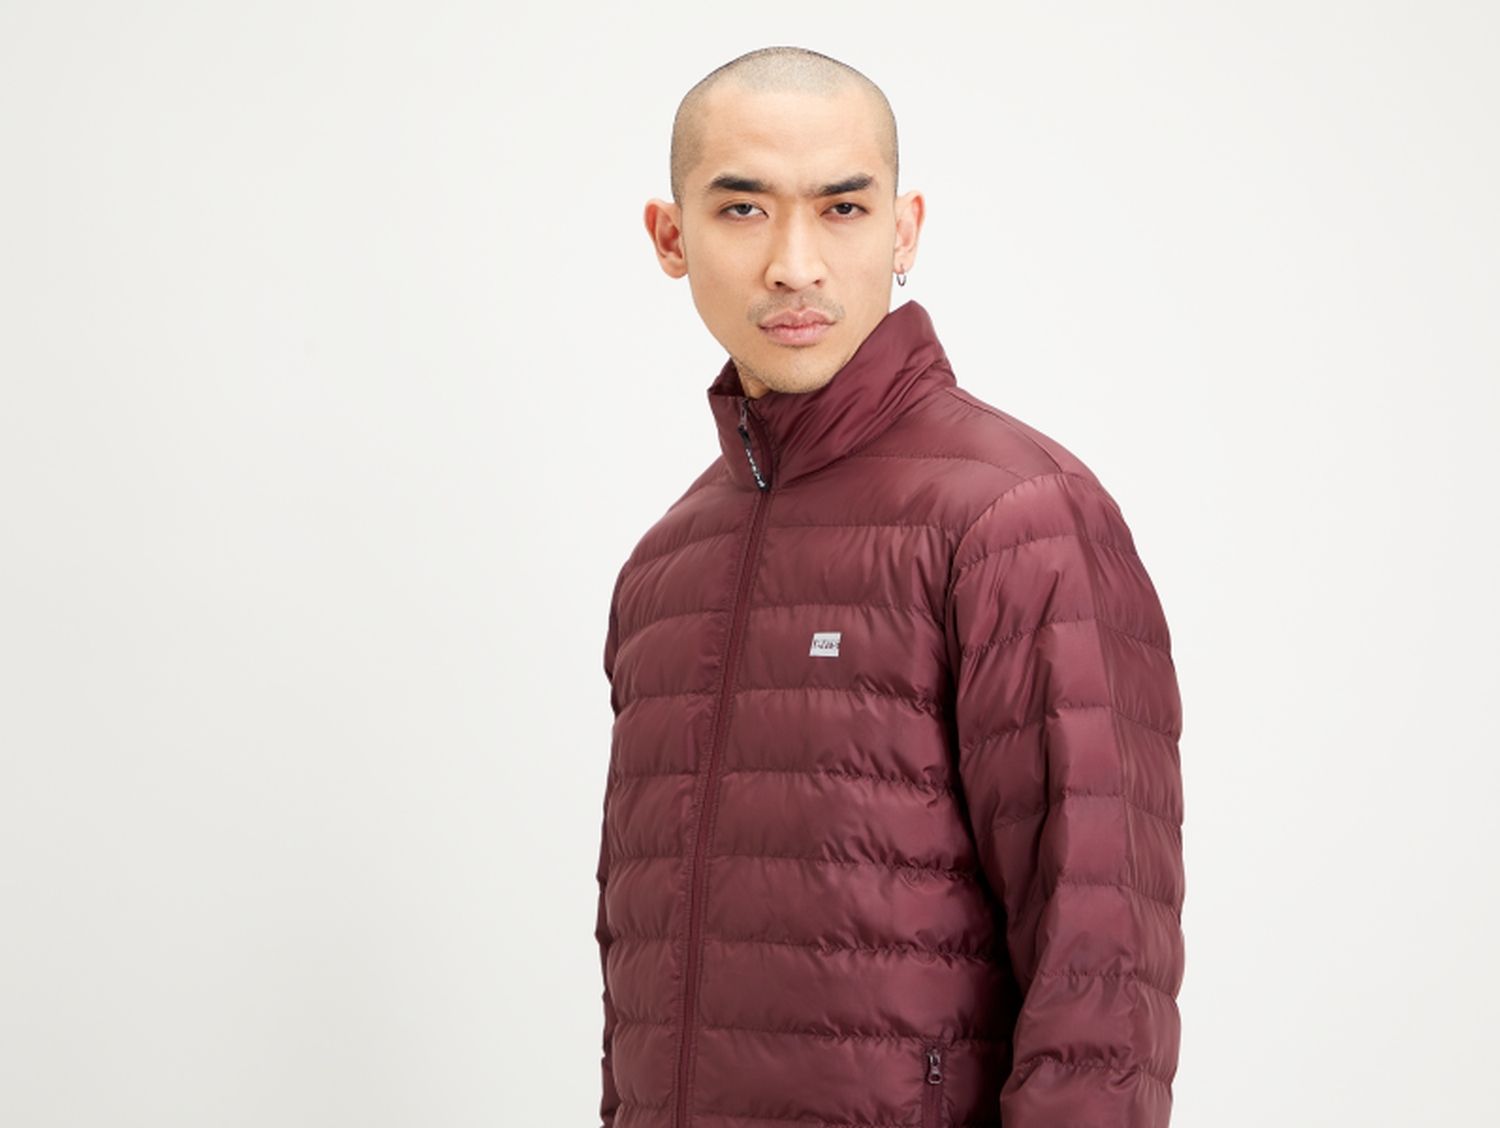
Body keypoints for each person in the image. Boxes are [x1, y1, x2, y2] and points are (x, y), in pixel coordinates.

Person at [595, 45, 1185, 1128]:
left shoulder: (1015, 518)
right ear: (670, 238)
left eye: (843, 209)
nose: (795, 264)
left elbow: (1100, 970)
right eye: (743, 210)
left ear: (904, 231)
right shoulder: (666, 565)